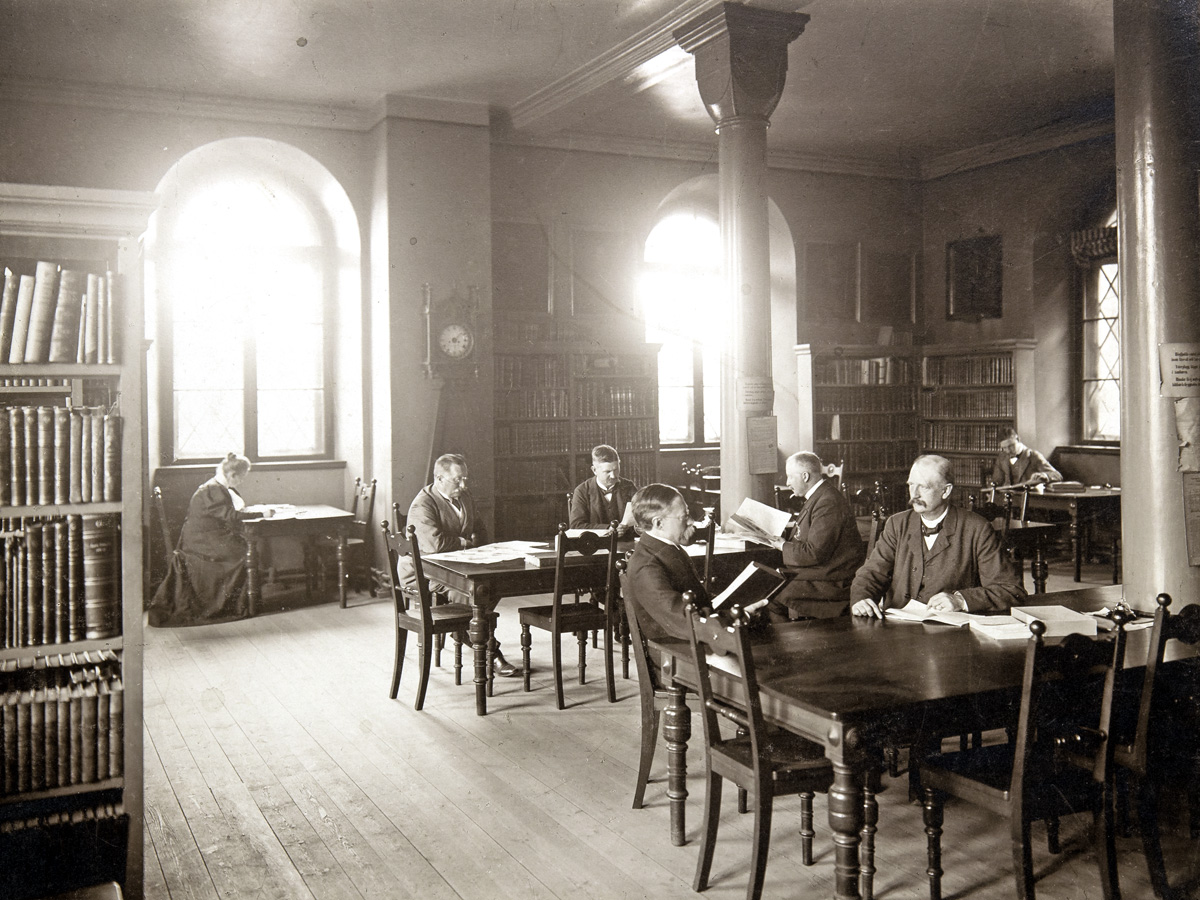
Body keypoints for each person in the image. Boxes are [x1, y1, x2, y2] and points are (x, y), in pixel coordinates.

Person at [850, 454, 1025, 618]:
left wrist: (960, 600)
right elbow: (872, 573)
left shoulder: (977, 528)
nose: (914, 494)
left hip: (950, 634)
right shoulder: (897, 524)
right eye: (911, 485)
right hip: (897, 628)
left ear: (946, 491)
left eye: (924, 487)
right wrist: (861, 598)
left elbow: (1011, 590)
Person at [400, 453, 518, 677]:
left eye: (465, 479)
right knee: (471, 593)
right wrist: (465, 542)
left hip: (455, 565)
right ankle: (490, 651)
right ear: (439, 478)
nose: (463, 485)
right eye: (457, 480)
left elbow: (480, 530)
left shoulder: (465, 497)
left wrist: (482, 548)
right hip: (423, 572)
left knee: (492, 585)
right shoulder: (422, 504)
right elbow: (435, 544)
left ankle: (465, 630)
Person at [148, 452, 268, 627]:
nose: (241, 481)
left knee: (243, 547)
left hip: (208, 536)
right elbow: (230, 515)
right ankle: (236, 606)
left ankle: (236, 603)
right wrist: (262, 513)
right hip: (200, 541)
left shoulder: (216, 487)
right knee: (244, 553)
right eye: (241, 478)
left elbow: (227, 514)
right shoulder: (212, 490)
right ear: (232, 475)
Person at [768, 452, 865, 620]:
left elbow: (814, 553)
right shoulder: (820, 496)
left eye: (790, 477)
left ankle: (788, 644)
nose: (787, 483)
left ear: (805, 476)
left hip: (833, 581)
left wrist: (782, 545)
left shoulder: (827, 502)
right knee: (768, 585)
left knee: (771, 594)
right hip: (822, 573)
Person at [622, 484, 709, 642]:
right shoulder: (646, 566)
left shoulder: (667, 548)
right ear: (658, 523)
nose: (691, 521)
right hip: (674, 648)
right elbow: (683, 620)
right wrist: (729, 618)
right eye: (684, 517)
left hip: (687, 637)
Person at [569, 443, 637, 534]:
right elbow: (576, 525)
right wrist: (608, 528)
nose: (613, 476)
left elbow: (642, 517)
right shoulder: (582, 491)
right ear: (594, 470)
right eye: (607, 472)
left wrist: (638, 527)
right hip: (596, 545)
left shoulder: (629, 486)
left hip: (626, 543)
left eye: (616, 470)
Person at [990, 426, 1062, 487]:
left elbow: (1057, 475)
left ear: (1018, 440)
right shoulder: (1002, 457)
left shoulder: (1033, 456)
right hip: (1007, 499)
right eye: (1004, 448)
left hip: (1028, 498)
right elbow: (996, 481)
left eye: (1011, 446)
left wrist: (1045, 475)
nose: (1008, 451)